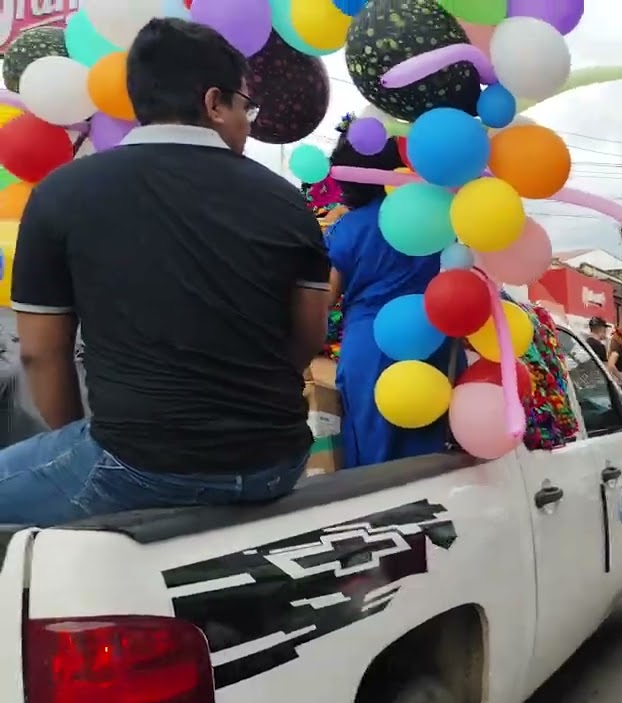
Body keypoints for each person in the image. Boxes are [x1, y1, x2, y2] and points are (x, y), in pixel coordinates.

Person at [0, 19, 327, 525]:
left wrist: (80, 442)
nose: (248, 121)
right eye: (247, 106)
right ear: (215, 102)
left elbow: (42, 353)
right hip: (278, 464)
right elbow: (308, 334)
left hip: (135, 466)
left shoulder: (63, 193)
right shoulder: (287, 201)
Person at [324, 115, 457, 468]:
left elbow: (324, 296)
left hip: (368, 347)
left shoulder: (347, 228)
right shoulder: (434, 215)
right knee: (423, 457)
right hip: (427, 341)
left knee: (371, 464)